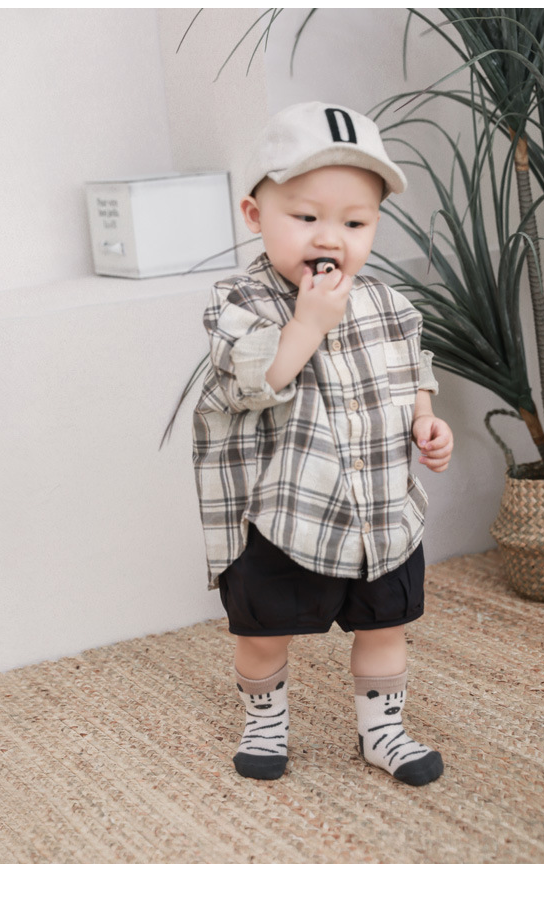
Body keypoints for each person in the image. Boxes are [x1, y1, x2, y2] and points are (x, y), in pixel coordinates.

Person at [192, 102, 454, 786]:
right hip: (284, 516)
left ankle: (382, 730)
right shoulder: (239, 302)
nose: (330, 237)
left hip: (379, 511)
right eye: (306, 216)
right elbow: (258, 380)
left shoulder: (388, 304)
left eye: (355, 222)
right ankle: (265, 720)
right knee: (263, 631)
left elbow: (412, 369)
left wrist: (426, 419)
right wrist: (307, 323)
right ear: (255, 215)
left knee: (386, 624)